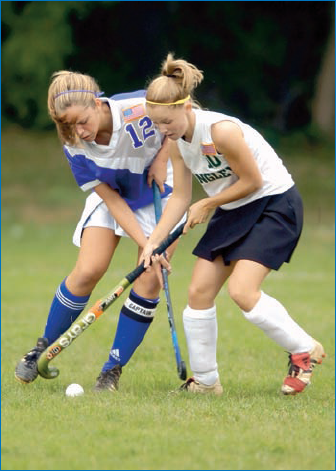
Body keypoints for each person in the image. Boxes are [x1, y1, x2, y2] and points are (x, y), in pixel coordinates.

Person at [141, 53, 325, 396]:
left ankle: (304, 351)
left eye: (167, 121)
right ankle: (207, 383)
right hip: (233, 208)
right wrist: (153, 240)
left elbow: (252, 181)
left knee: (242, 291)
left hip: (273, 204)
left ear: (185, 107)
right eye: (156, 123)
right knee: (198, 293)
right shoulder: (177, 144)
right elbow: (180, 198)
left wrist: (209, 203)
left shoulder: (220, 131)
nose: (163, 130)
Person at [15, 71, 183, 392]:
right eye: (66, 126)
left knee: (149, 278)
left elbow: (187, 112)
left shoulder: (137, 106)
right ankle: (43, 347)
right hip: (115, 195)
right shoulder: (73, 145)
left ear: (96, 103)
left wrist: (163, 156)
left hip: (158, 189)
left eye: (81, 121)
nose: (78, 132)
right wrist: (146, 243)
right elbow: (111, 200)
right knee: (89, 268)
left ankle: (111, 370)